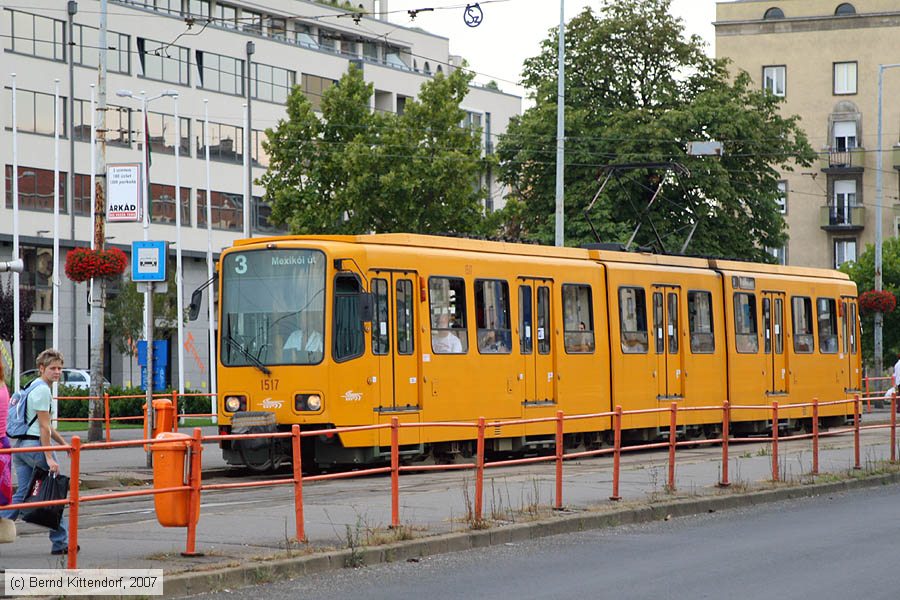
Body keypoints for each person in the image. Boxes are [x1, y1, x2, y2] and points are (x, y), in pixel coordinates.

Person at [0, 349, 73, 555]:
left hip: (22, 447)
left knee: (22, 495)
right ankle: (61, 542)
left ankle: (3, 525)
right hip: (37, 449)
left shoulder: (32, 386)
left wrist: (62, 442)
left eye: (59, 368)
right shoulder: (43, 391)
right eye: (52, 368)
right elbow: (43, 428)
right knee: (54, 496)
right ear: (42, 368)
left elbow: (45, 424)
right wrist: (49, 456)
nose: (57, 372)